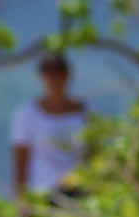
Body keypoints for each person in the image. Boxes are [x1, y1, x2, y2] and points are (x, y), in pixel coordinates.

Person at [9, 51, 88, 198]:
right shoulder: (26, 114)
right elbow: (19, 165)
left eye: (58, 71)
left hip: (79, 194)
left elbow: (91, 156)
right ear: (41, 76)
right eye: (48, 71)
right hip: (41, 195)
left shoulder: (83, 112)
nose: (53, 77)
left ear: (67, 74)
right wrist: (20, 202)